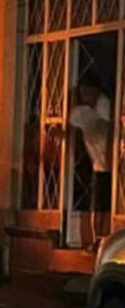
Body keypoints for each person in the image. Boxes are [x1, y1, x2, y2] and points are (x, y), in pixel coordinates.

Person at [69, 76, 112, 247]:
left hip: (111, 163)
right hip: (99, 163)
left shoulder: (105, 106)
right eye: (82, 93)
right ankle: (97, 239)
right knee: (98, 204)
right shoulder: (83, 112)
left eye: (86, 93)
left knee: (106, 203)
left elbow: (109, 129)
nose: (84, 97)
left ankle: (105, 238)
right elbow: (72, 123)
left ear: (95, 91)